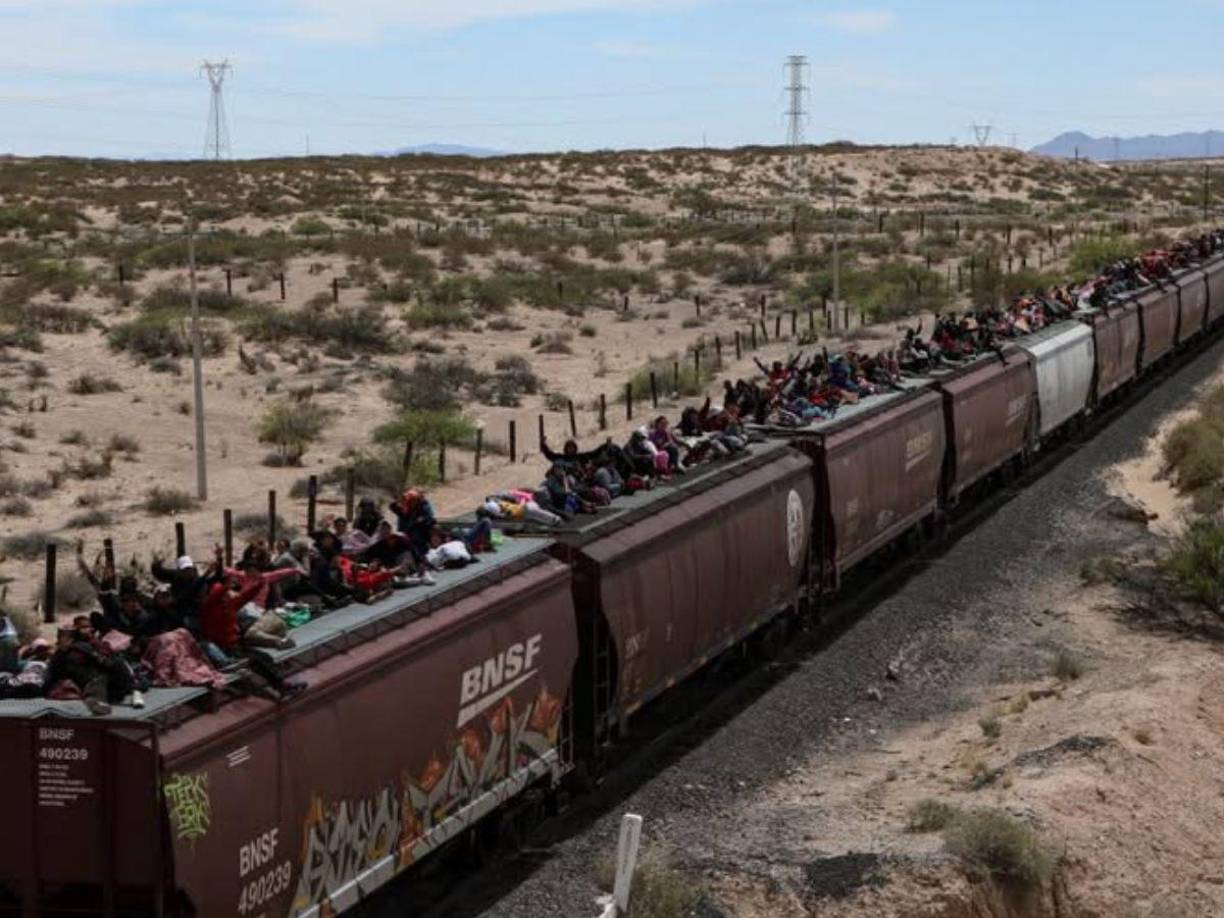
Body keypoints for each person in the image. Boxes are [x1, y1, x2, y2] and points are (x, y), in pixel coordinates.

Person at [390, 489, 437, 561]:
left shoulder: (423, 508)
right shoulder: (406, 510)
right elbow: (394, 507)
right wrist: (399, 500)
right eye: (410, 500)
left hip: (419, 538)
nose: (410, 502)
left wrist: (416, 523)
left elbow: (427, 518)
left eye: (413, 500)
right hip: (406, 536)